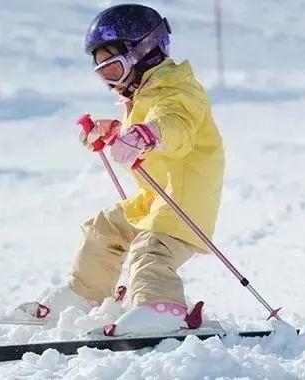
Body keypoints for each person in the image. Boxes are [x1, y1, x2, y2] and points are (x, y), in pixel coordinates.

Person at [17, 4, 225, 337]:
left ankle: (160, 309)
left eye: (114, 70)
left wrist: (148, 134)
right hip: (155, 197)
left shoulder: (178, 92)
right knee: (104, 230)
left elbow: (175, 126)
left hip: (185, 201)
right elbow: (142, 130)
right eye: (103, 74)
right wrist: (114, 132)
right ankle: (82, 296)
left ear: (145, 53)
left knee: (150, 250)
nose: (110, 83)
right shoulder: (144, 95)